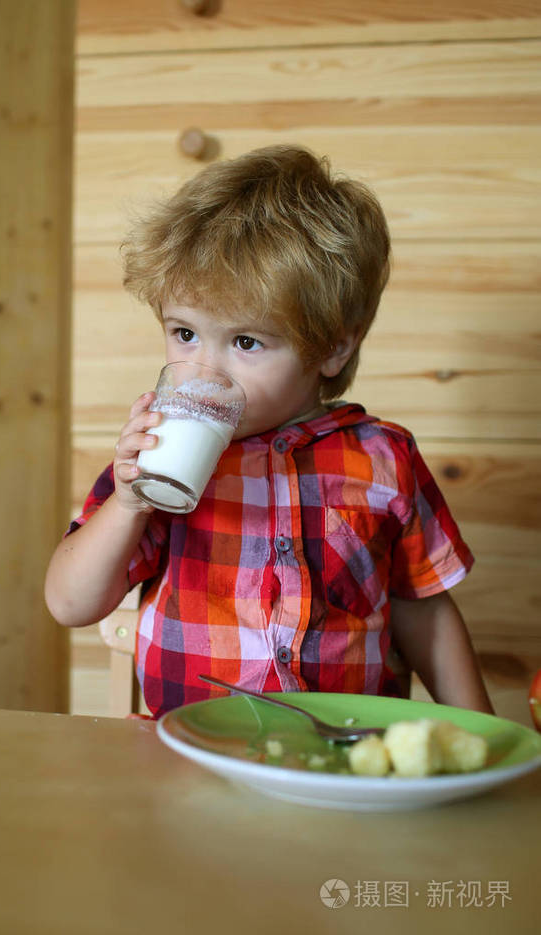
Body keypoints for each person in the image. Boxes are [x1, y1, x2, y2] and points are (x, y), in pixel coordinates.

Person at [45, 144, 494, 719]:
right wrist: (130, 502)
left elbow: (424, 609)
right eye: (184, 333)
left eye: (246, 342)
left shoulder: (383, 457)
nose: (206, 370)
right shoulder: (158, 456)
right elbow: (69, 603)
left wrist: (487, 740)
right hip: (188, 755)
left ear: (333, 347)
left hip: (341, 758)